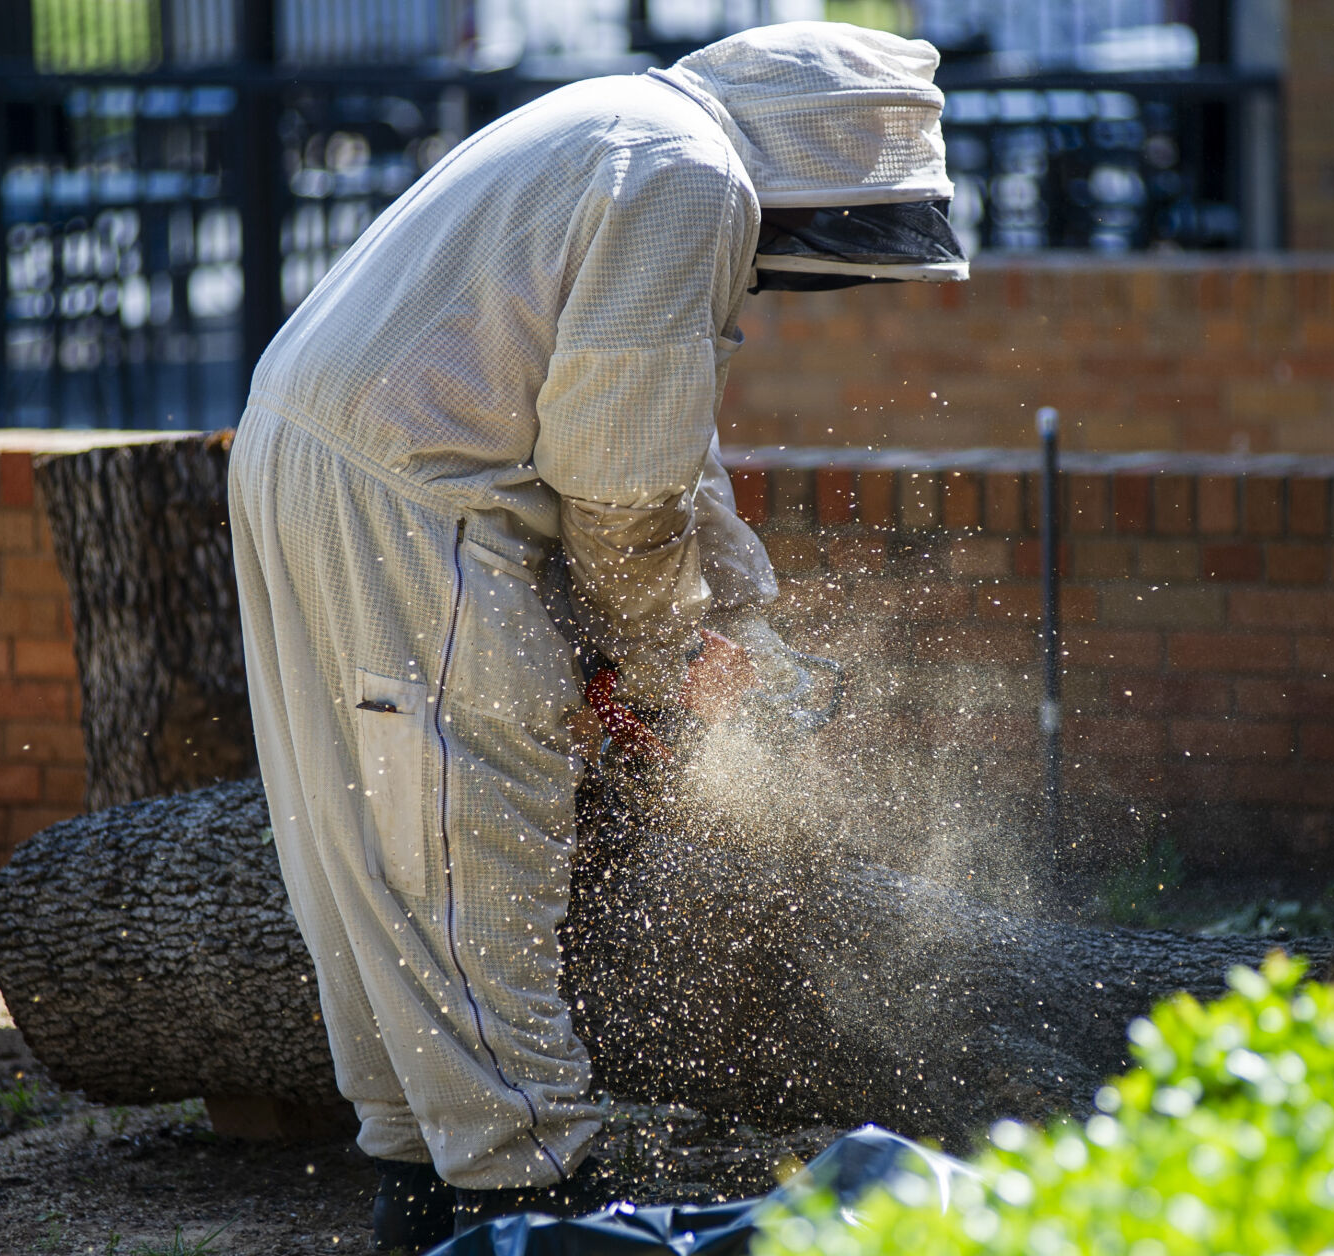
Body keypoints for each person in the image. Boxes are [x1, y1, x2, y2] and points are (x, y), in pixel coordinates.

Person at [227, 20, 967, 1253]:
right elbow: (620, 488)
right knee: (463, 831)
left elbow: (656, 437)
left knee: (363, 837)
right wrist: (678, 664)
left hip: (304, 454)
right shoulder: (690, 180)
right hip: (421, 499)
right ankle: (529, 1194)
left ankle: (422, 1176)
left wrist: (738, 617)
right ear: (827, 175)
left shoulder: (636, 130)